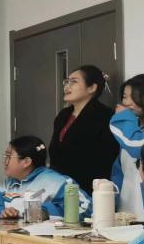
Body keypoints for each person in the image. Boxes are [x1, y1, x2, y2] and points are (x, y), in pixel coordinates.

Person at [49, 65, 119, 194]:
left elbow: (105, 160)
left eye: (73, 82)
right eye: (66, 81)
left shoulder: (105, 117)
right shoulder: (63, 115)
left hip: (90, 190)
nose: (67, 86)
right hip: (60, 188)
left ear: (92, 87)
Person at [110, 74, 144, 221]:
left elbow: (139, 148)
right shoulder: (133, 129)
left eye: (134, 96)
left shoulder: (129, 131)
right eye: (124, 97)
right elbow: (119, 174)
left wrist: (121, 120)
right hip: (127, 216)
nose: (127, 103)